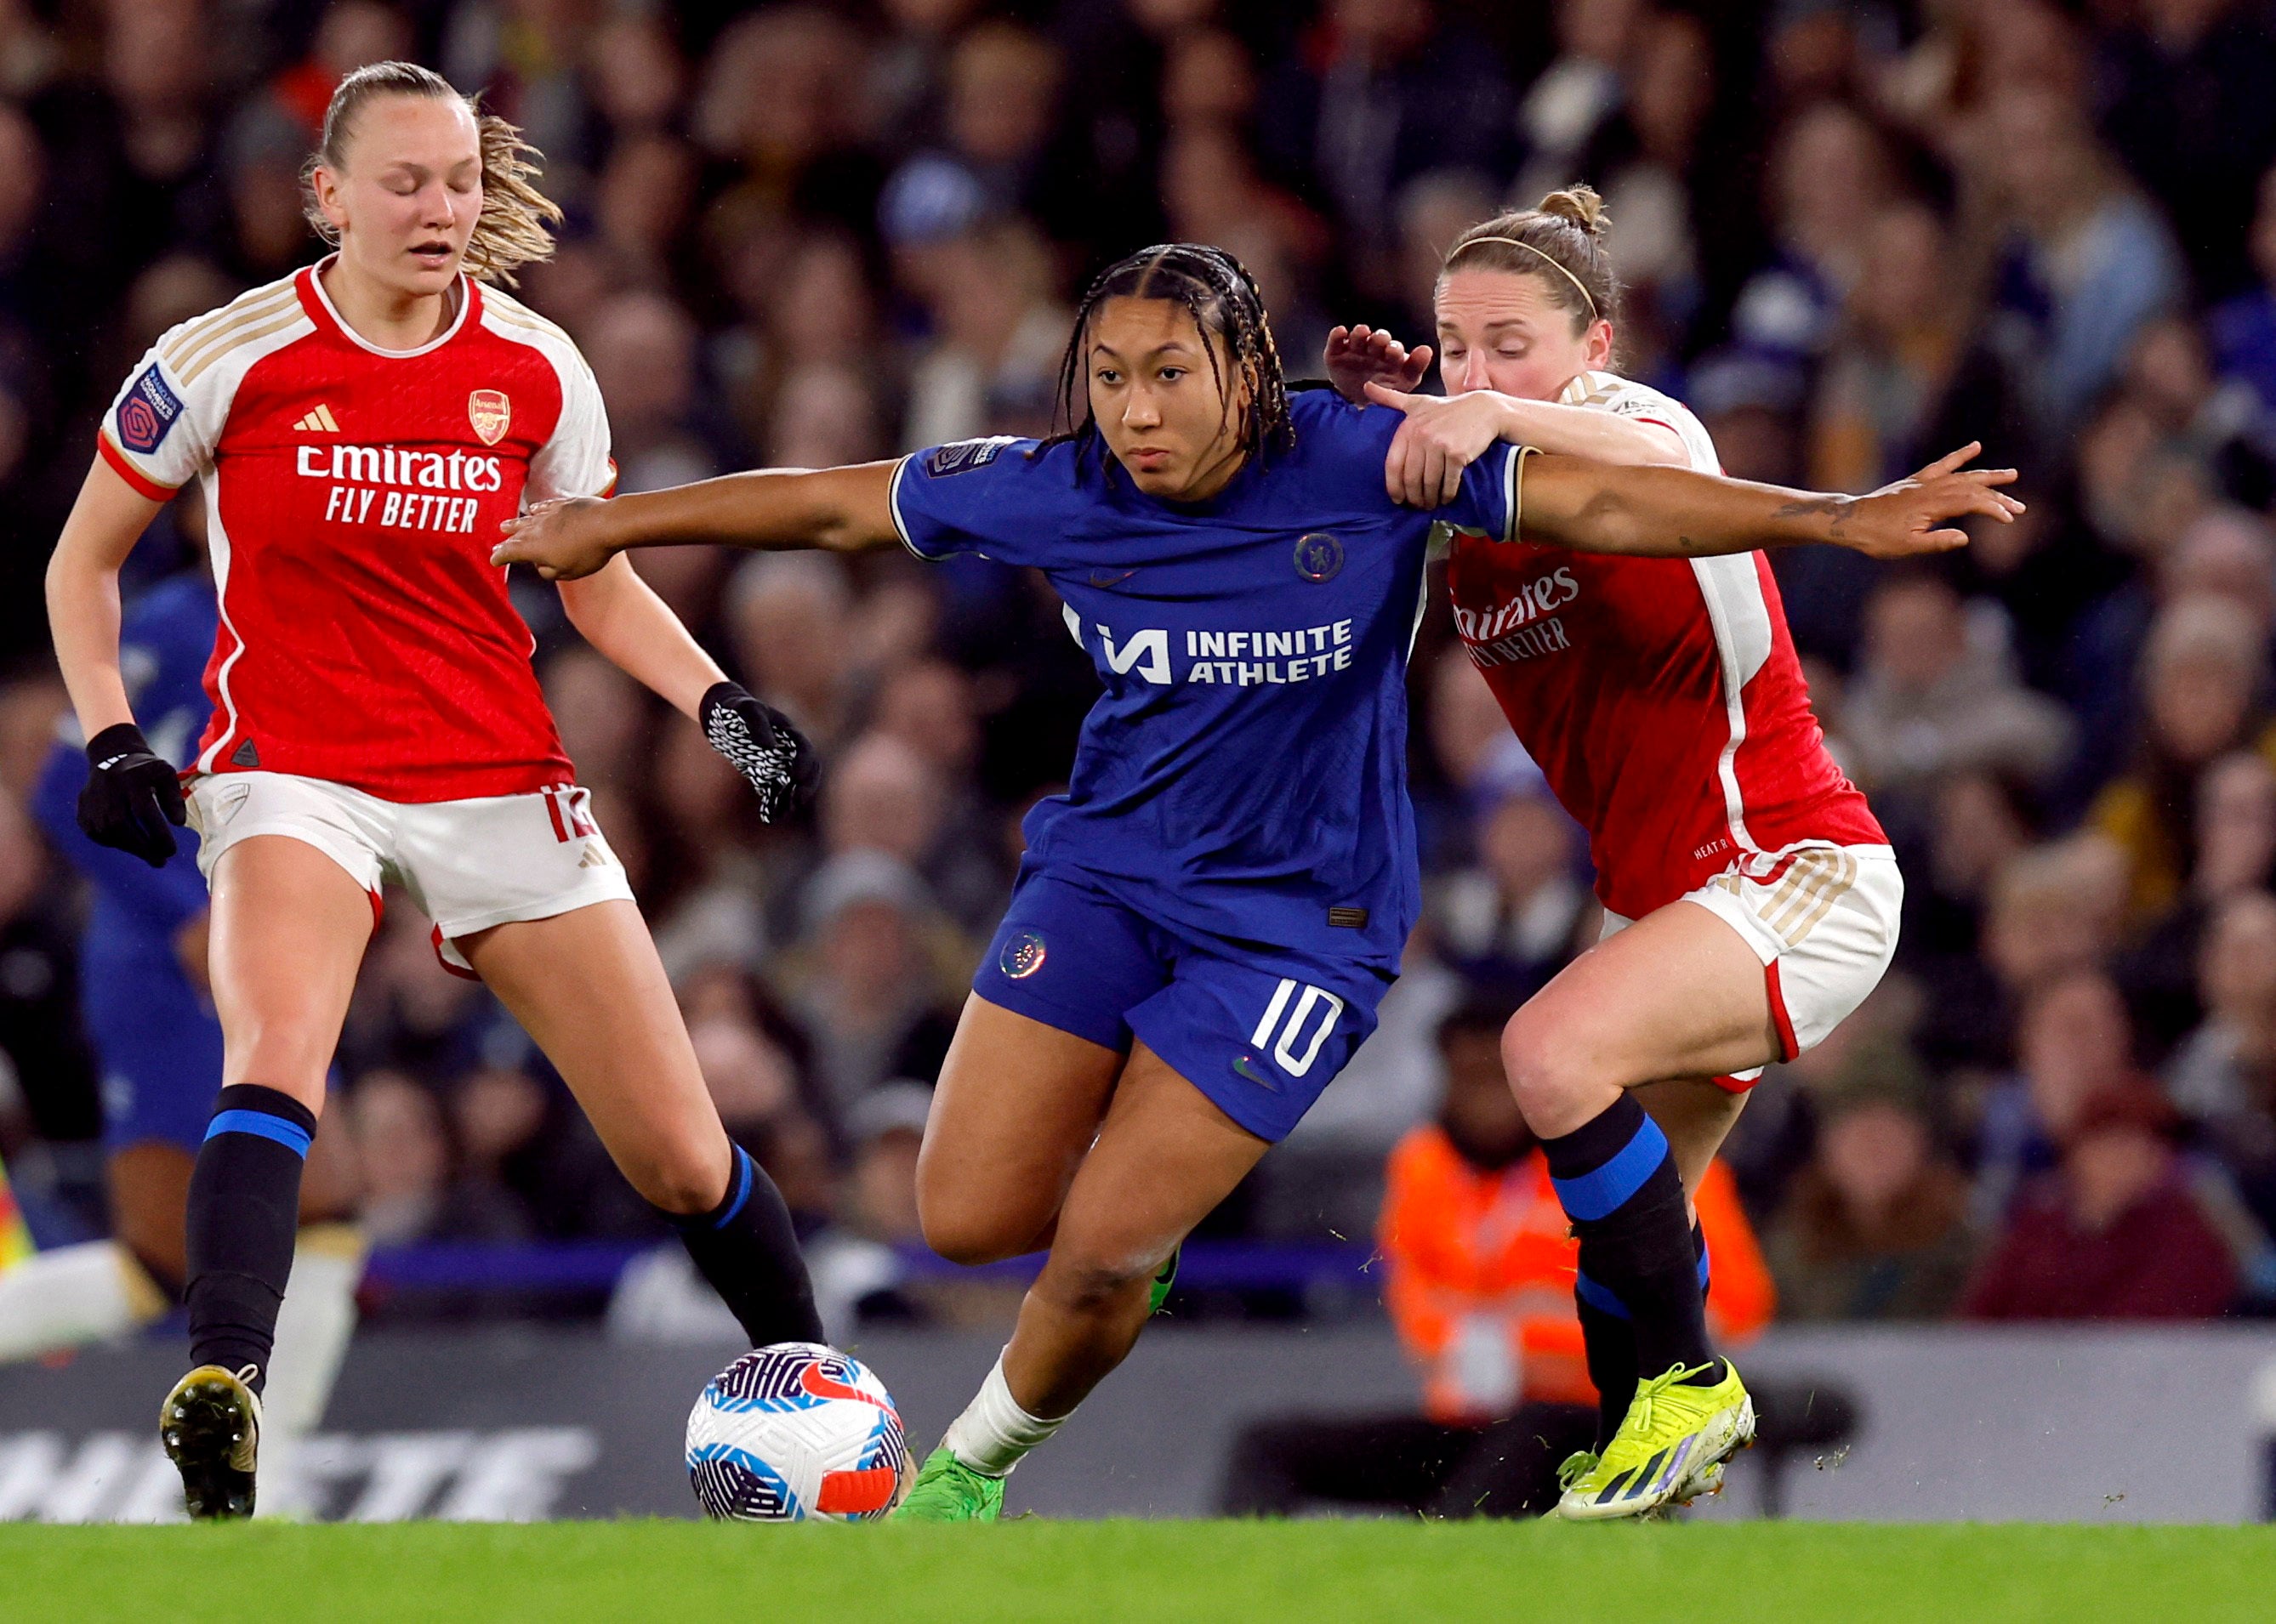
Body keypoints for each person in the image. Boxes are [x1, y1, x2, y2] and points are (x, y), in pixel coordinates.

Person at [494, 239, 2018, 1523]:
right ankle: (1651, 1451)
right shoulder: (1059, 486)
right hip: (1102, 880)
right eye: (1109, 376)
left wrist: (1832, 519)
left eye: (1169, 376)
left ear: (1246, 378)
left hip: (1301, 928)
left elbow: (1622, 501)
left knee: (1099, 1253)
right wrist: (609, 525)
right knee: (962, 1217)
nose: (1137, 413)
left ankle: (962, 1480)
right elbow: (834, 501)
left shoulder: (1364, 464)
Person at [44, 61, 825, 1522]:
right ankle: (226, 1401)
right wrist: (112, 737)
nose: (439, 209)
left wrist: (717, 701)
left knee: (677, 1152)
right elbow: (78, 560)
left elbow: (594, 584)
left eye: (459, 181)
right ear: (326, 196)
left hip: (493, 773)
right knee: (274, 1048)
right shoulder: (227, 355)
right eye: (404, 182)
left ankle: (823, 1399)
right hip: (294, 770)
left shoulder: (536, 366)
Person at [1323, 185, 1944, 1516]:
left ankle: (1697, 1391)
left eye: (1514, 343)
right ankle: (1643, 1489)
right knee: (1620, 1267)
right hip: (1664, 904)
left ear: (1596, 345)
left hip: (1792, 866)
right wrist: (1360, 416)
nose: (1479, 370)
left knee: (1545, 1052)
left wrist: (1482, 408)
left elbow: (1611, 452)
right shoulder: (1470, 508)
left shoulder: (1647, 425)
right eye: (1455, 343)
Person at [7, 548, 365, 1516]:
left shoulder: (315, 624)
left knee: (277, 1226)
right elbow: (56, 784)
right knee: (231, 1235)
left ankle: (264, 1489)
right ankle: (265, 1491)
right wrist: (181, 915)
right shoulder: (168, 623)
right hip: (167, 971)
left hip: (246, 948)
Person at [1219, 998, 1770, 1519]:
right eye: (1468, 1078)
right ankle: (1226, 1598)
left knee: (1520, 1449)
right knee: (1271, 1446)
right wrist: (1536, 1324)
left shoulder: (1626, 1163)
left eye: (1500, 1080)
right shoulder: (1425, 1164)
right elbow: (1420, 1316)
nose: (1485, 1100)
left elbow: (1732, 1313)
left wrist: (1521, 1338)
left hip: (1597, 1418)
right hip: (1470, 1417)